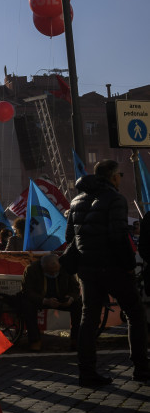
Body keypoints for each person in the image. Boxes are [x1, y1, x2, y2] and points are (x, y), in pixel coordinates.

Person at [65, 159, 149, 386]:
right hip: (112, 267)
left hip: (87, 269)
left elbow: (69, 239)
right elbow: (118, 236)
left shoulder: (75, 201)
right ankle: (141, 368)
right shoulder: (115, 199)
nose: (121, 177)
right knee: (135, 313)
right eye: (119, 174)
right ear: (113, 176)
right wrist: (129, 265)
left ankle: (87, 372)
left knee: (88, 319)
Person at [19, 253, 80, 352]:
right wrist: (45, 301)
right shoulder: (31, 269)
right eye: (49, 272)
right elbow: (27, 291)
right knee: (27, 305)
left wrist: (70, 298)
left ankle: (76, 339)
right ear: (42, 268)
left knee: (78, 304)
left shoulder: (66, 268)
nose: (52, 274)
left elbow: (75, 288)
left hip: (62, 298)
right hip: (40, 299)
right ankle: (35, 340)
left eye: (55, 272)